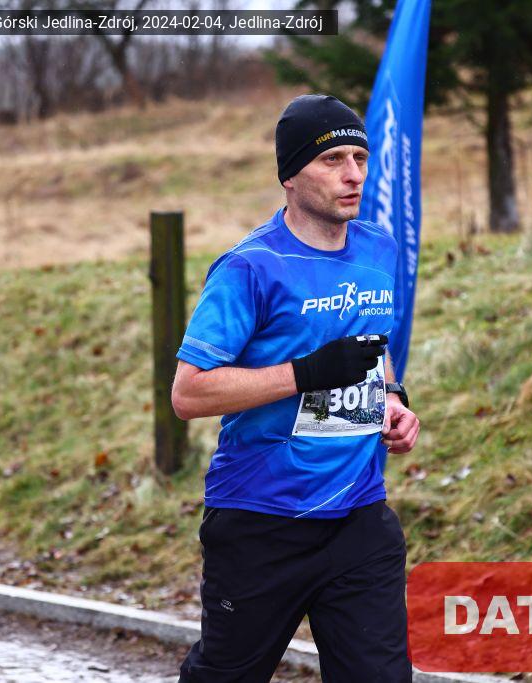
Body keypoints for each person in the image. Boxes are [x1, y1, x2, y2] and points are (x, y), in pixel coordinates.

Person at [171, 93, 420, 682]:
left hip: (357, 516)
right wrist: (305, 373)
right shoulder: (250, 268)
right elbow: (189, 393)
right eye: (333, 159)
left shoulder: (378, 249)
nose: (353, 174)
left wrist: (393, 399)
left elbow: (375, 347)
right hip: (261, 519)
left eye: (360, 158)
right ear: (289, 174)